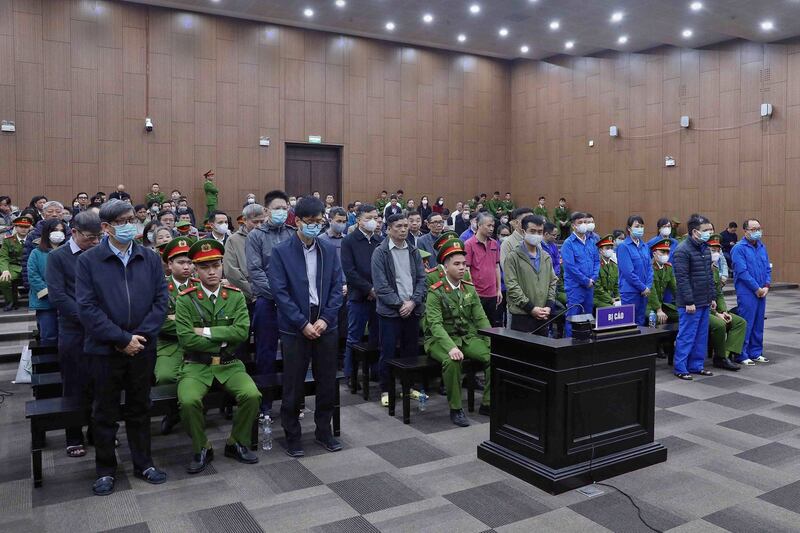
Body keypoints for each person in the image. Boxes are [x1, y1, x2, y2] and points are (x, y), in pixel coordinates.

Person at [76, 199, 168, 496]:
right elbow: (87, 309)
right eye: (124, 221)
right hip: (105, 350)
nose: (132, 225)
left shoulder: (150, 258)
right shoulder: (88, 261)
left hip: (142, 348)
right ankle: (105, 470)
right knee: (104, 411)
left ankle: (144, 463)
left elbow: (160, 302)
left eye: (133, 219)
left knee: (141, 407)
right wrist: (120, 339)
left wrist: (137, 338)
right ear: (105, 227)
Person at [172, 239, 260, 474]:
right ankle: (202, 447)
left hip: (229, 364)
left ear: (222, 265)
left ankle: (236, 442)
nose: (211, 271)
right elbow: (186, 339)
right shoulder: (185, 299)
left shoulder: (235, 296)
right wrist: (224, 339)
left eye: (216, 265)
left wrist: (207, 332)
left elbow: (242, 332)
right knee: (189, 401)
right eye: (204, 267)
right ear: (195, 269)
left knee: (252, 395)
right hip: (195, 365)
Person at [269, 197, 344, 457]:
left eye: (318, 221)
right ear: (297, 221)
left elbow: (337, 287)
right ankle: (293, 435)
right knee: (293, 383)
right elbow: (279, 292)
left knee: (326, 381)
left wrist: (325, 319)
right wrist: (302, 323)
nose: (314, 226)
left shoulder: (328, 249)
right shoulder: (281, 252)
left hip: (325, 322)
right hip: (295, 325)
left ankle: (324, 431)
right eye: (310, 222)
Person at [47, 211, 102, 458]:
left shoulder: (100, 255)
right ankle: (73, 435)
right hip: (73, 330)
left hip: (99, 331)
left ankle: (96, 431)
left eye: (99, 237)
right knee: (74, 385)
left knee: (99, 384)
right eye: (90, 238)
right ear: (74, 232)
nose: (95, 242)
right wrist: (90, 317)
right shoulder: (57, 257)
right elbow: (58, 296)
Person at [425, 239, 491, 426]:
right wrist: (451, 347)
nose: (462, 268)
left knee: (494, 356)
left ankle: (487, 403)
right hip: (440, 339)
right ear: (445, 267)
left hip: (466, 336)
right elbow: (435, 325)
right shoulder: (436, 291)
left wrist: (491, 340)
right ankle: (456, 408)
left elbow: (481, 318)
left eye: (464, 264)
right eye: (457, 264)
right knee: (452, 361)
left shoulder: (468, 288)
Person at [246, 190, 295, 415]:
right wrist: (279, 294)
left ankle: (292, 399)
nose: (282, 212)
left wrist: (288, 296)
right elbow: (255, 271)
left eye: (285, 208)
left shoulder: (293, 234)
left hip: (292, 304)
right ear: (266, 211)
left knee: (292, 350)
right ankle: (265, 402)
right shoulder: (256, 236)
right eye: (277, 208)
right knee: (265, 352)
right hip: (267, 302)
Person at [371, 213, 427, 407]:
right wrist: (400, 304)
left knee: (410, 351)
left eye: (405, 226)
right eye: (398, 226)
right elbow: (381, 286)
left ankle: (409, 386)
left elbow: (422, 279)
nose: (403, 229)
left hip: (412, 309)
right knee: (387, 352)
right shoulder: (380, 252)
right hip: (390, 312)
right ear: (388, 229)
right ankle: (386, 389)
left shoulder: (413, 251)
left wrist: (412, 302)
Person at [341, 204, 383, 381]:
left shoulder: (379, 240)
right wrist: (368, 289)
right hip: (358, 296)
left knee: (376, 336)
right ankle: (350, 373)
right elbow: (349, 271)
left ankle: (375, 371)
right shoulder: (349, 240)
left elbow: (383, 269)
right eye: (368, 218)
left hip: (379, 297)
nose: (373, 221)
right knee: (354, 336)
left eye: (375, 217)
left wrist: (377, 289)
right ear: (358, 220)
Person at [671, 214, 716, 380]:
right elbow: (682, 279)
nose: (709, 233)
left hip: (704, 300)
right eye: (706, 230)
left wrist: (712, 297)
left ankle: (696, 365)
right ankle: (680, 367)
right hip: (689, 303)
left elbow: (709, 276)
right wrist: (689, 301)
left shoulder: (705, 247)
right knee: (687, 335)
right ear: (695, 231)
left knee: (701, 336)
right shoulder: (682, 250)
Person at [504, 215, 557, 335]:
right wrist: (530, 308)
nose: (536, 235)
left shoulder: (545, 257)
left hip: (543, 313)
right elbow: (512, 286)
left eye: (540, 232)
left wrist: (548, 305)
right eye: (532, 231)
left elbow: (552, 282)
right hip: (522, 315)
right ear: (523, 232)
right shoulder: (513, 257)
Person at [731, 219, 771, 366]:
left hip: (762, 291)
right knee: (747, 323)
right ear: (745, 231)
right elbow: (742, 272)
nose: (757, 231)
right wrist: (756, 288)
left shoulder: (762, 247)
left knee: (758, 323)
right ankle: (741, 354)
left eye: (758, 228)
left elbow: (767, 267)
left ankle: (756, 352)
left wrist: (766, 286)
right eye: (753, 229)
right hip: (747, 291)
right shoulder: (739, 248)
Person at [707, 234, 745, 371]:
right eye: (712, 250)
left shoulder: (715, 269)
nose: (716, 253)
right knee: (720, 324)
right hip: (702, 310)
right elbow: (698, 297)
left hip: (716, 310)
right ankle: (721, 356)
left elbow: (719, 294)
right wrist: (716, 314)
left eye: (718, 250)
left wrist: (723, 311)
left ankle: (725, 355)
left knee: (740, 322)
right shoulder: (699, 269)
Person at [27, 219, 66, 345]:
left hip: (66, 301)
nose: (58, 233)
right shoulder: (36, 252)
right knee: (49, 336)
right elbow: (33, 276)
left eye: (61, 231)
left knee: (66, 335)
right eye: (55, 230)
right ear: (47, 232)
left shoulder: (68, 251)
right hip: (45, 302)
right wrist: (50, 292)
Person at [560, 212, 599, 336]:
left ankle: (585, 342)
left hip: (590, 286)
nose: (584, 225)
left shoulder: (591, 241)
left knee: (588, 316)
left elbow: (597, 261)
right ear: (573, 226)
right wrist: (585, 281)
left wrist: (593, 278)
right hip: (575, 287)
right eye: (580, 223)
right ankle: (569, 345)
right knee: (573, 317)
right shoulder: (568, 243)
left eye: (585, 222)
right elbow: (570, 267)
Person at [465, 212, 502, 326]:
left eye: (493, 226)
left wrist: (499, 289)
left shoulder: (495, 244)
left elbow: (496, 267)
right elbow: (467, 270)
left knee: (492, 326)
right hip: (477, 294)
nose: (491, 229)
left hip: (493, 294)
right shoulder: (469, 244)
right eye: (488, 226)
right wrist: (472, 292)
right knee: (478, 326)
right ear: (479, 225)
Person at [617, 215, 653, 326]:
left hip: (644, 292)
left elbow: (649, 268)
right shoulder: (624, 247)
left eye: (642, 226)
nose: (640, 229)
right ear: (629, 228)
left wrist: (648, 286)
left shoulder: (645, 246)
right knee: (629, 324)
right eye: (637, 226)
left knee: (640, 322)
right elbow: (628, 272)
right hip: (630, 292)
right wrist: (642, 287)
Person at [224, 203, 264, 303]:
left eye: (262, 222)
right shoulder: (233, 240)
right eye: (255, 222)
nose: (259, 225)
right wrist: (253, 292)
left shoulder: (269, 237)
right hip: (247, 297)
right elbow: (232, 271)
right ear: (245, 220)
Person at [0, 217, 31, 310]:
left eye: (26, 226)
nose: (23, 229)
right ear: (16, 227)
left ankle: (36, 301)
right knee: (4, 279)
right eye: (21, 226)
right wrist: (5, 270)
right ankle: (10, 302)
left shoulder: (33, 239)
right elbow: (3, 257)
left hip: (29, 266)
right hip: (14, 267)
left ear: (29, 228)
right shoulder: (8, 240)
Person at [593, 235, 620, 309]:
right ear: (600, 251)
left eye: (611, 248)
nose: (610, 250)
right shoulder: (596, 266)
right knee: (612, 308)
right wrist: (611, 300)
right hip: (598, 299)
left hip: (612, 298)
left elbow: (616, 285)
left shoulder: (614, 266)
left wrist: (618, 297)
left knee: (624, 306)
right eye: (607, 248)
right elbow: (597, 288)